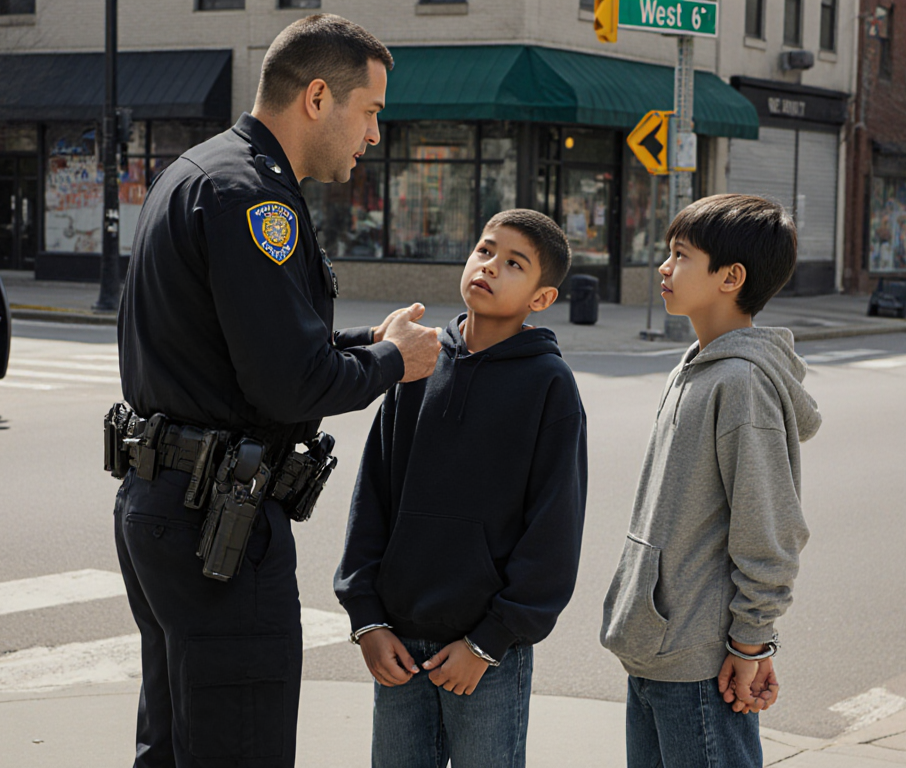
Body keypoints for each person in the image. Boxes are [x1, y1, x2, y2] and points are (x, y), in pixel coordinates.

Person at [112, 15, 441, 768]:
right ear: (319, 96)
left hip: (164, 504)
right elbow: (292, 382)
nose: (375, 135)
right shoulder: (255, 201)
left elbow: (247, 350)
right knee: (239, 747)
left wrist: (378, 345)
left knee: (175, 743)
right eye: (371, 111)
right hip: (214, 525)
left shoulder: (199, 171)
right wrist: (394, 364)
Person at [334, 209, 588, 768]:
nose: (491, 266)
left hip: (486, 655)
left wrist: (490, 640)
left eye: (514, 263)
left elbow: (555, 528)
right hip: (397, 642)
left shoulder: (550, 385)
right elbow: (372, 494)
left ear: (541, 298)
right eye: (485, 250)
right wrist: (367, 619)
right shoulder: (419, 362)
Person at [598, 194, 822, 767]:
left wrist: (752, 642)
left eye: (680, 255)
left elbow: (768, 532)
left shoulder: (740, 383)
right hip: (658, 649)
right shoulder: (694, 366)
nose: (664, 268)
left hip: (699, 665)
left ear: (731, 277)